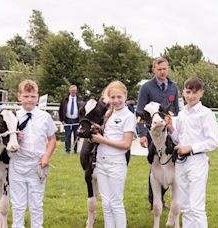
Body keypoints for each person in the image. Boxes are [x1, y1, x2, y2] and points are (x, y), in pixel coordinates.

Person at [167, 76, 218, 228]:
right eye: (188, 92)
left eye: (195, 93)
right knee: (185, 206)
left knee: (197, 206)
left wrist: (191, 147)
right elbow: (178, 139)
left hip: (197, 161)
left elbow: (213, 141)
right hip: (181, 162)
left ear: (201, 93)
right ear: (183, 92)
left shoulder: (206, 114)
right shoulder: (182, 114)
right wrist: (171, 128)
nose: (191, 96)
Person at [9, 79, 57, 228]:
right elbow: (4, 142)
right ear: (19, 97)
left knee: (36, 203)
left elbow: (52, 139)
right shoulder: (12, 117)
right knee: (18, 204)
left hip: (37, 164)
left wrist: (46, 156)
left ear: (37, 97)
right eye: (26, 96)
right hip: (18, 164)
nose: (29, 100)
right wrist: (14, 139)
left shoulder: (45, 117)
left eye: (33, 96)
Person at [91, 80, 137, 228]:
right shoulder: (109, 113)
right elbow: (107, 132)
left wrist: (102, 140)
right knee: (106, 203)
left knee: (116, 203)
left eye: (119, 97)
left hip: (116, 163)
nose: (116, 101)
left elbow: (126, 144)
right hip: (101, 162)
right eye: (113, 97)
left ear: (125, 96)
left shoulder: (129, 116)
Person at [136, 57, 180, 209]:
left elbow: (176, 109)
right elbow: (140, 111)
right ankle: (154, 200)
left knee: (171, 164)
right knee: (155, 165)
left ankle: (166, 197)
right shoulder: (146, 87)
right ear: (154, 70)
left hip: (169, 132)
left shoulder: (174, 87)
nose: (162, 72)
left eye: (165, 69)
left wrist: (173, 123)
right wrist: (142, 134)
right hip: (152, 134)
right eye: (159, 69)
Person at [59, 85, 83, 154]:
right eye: (72, 91)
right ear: (69, 91)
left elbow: (82, 110)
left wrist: (81, 120)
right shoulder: (65, 99)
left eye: (74, 91)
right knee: (67, 136)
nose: (73, 92)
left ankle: (75, 151)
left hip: (77, 120)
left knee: (77, 136)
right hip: (67, 120)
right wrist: (62, 120)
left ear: (76, 91)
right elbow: (60, 110)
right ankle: (67, 150)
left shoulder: (80, 99)